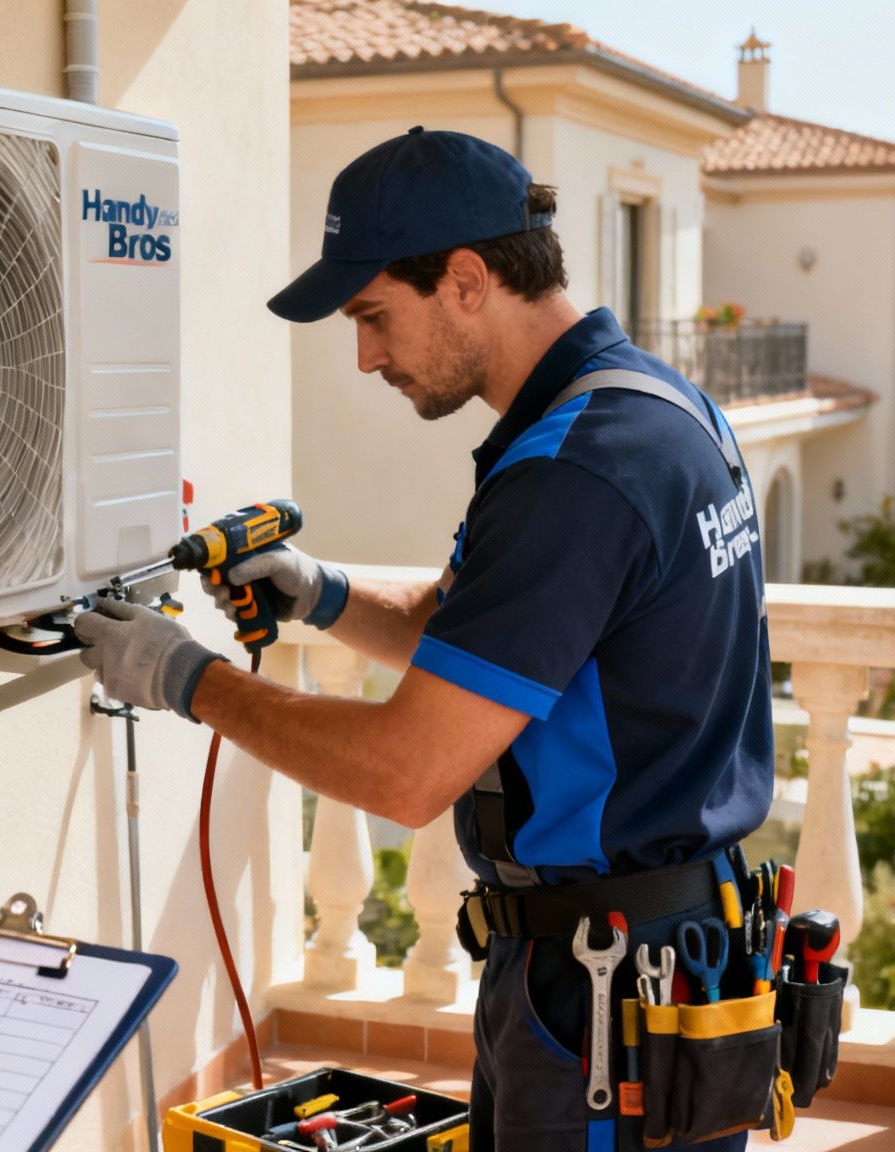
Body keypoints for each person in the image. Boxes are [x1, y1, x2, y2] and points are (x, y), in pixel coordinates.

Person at [75, 128, 774, 1150]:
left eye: (371, 316)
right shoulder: (650, 410)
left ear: (464, 279)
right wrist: (319, 593)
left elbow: (407, 773)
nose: (363, 358)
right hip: (639, 955)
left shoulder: (570, 476)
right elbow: (480, 645)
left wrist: (187, 681)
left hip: (607, 989)